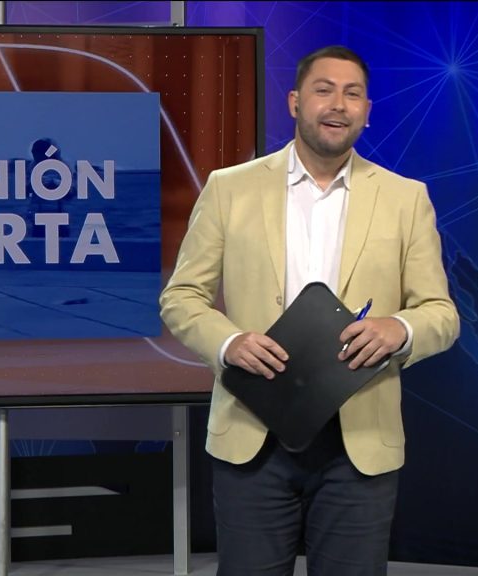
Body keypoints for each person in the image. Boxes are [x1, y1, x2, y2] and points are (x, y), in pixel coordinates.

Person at [159, 46, 460, 575]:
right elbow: (181, 297)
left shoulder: (406, 198)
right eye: (324, 90)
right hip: (253, 433)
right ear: (295, 102)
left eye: (352, 94)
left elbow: (441, 313)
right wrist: (230, 343)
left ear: (367, 111)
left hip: (358, 442)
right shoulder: (229, 188)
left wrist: (400, 328)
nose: (338, 104)